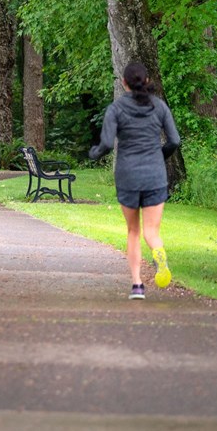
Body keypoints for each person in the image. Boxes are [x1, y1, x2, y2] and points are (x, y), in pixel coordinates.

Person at [89, 62, 181, 299]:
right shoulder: (159, 107)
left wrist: (94, 152)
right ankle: (158, 252)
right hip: (154, 176)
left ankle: (137, 285)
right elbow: (174, 141)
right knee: (152, 231)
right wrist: (158, 157)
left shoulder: (116, 109)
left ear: (124, 82)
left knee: (133, 231)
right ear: (147, 80)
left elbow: (108, 144)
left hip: (128, 176)